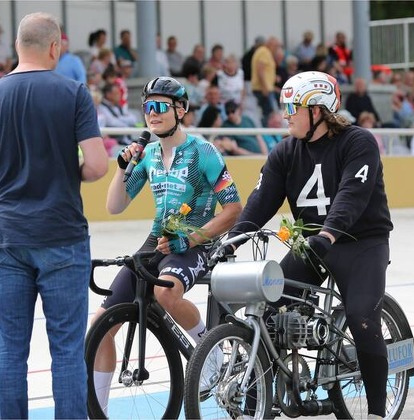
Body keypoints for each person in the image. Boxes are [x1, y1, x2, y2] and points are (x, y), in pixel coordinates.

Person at [227, 71, 393, 419]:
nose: (285, 114)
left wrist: (328, 235)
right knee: (267, 310)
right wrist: (230, 242)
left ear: (318, 111)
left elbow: (350, 196)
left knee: (362, 318)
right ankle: (257, 403)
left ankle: (377, 412)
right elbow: (260, 202)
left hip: (361, 242)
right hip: (312, 245)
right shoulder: (285, 151)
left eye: (292, 108)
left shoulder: (358, 142)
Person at [89, 76, 242, 412]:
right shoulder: (148, 155)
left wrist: (190, 239)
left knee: (165, 292)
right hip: (156, 241)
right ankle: (98, 412)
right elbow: (114, 206)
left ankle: (210, 351)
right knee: (100, 326)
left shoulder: (204, 152)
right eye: (147, 107)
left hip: (197, 240)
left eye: (159, 106)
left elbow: (233, 210)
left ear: (181, 110)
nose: (152, 114)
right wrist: (121, 169)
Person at [0, 12, 109, 418]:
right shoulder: (73, 92)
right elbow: (96, 166)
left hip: (8, 235)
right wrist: (68, 170)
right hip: (62, 234)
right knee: (66, 349)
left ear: (17, 46)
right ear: (54, 47)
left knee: (9, 348)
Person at [251, 36, 281, 127]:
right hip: (263, 89)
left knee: (268, 112)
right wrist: (265, 87)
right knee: (268, 114)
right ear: (270, 45)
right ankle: (266, 132)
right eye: (276, 47)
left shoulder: (264, 52)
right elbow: (260, 69)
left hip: (266, 88)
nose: (276, 50)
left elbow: (265, 71)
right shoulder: (264, 52)